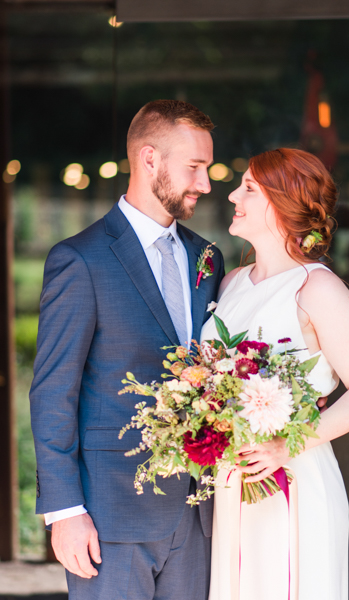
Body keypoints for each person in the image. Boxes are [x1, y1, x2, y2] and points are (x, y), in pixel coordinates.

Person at [29, 100, 224, 598]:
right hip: (109, 516)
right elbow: (54, 392)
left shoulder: (207, 256)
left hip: (199, 515)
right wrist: (65, 512)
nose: (205, 184)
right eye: (195, 168)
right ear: (150, 159)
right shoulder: (79, 260)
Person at [203, 148, 349, 600]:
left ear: (284, 202)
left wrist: (287, 443)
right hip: (231, 478)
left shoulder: (318, 288)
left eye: (248, 188)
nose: (232, 195)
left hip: (294, 476)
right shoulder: (231, 283)